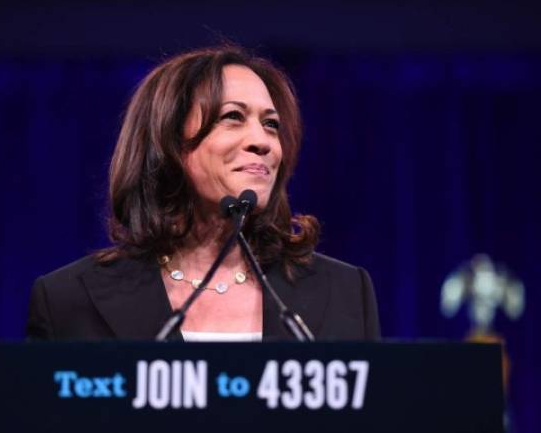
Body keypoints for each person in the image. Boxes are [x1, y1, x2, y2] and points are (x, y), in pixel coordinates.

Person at [26, 45, 380, 342]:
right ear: (168, 141)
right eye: (233, 117)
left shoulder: (345, 293)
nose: (263, 142)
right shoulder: (68, 301)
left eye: (270, 124)